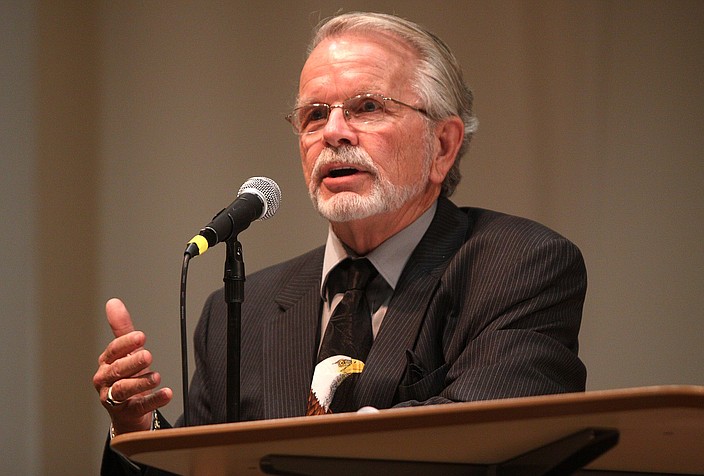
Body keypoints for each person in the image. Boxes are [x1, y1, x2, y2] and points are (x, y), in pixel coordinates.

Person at [95, 11, 587, 474]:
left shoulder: (520, 264)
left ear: (442, 146)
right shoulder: (240, 310)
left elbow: (494, 436)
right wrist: (138, 431)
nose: (332, 132)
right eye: (313, 115)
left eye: (367, 107)